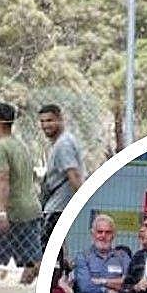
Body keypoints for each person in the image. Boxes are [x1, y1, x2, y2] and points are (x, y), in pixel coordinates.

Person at [0, 102, 43, 284]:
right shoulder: (21, 146)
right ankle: (23, 291)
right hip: (31, 211)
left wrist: (1, 212)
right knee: (34, 260)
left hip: (10, 211)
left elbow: (2, 179)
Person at [38, 104, 86, 258]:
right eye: (43, 121)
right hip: (56, 207)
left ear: (60, 119)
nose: (46, 125)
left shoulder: (63, 145)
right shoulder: (60, 143)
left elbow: (74, 176)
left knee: (47, 257)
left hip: (58, 209)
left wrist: (83, 203)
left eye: (50, 120)